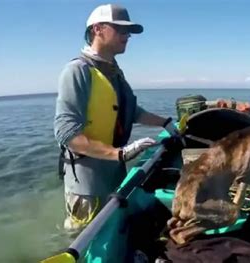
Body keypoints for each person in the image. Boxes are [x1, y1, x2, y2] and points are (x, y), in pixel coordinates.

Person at [54, 3, 178, 231]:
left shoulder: (114, 72)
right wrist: (119, 153)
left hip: (115, 171)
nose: (127, 35)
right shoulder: (77, 71)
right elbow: (66, 133)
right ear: (97, 29)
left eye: (128, 31)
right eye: (120, 29)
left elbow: (132, 112)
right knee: (83, 236)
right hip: (87, 183)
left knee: (115, 228)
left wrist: (165, 123)